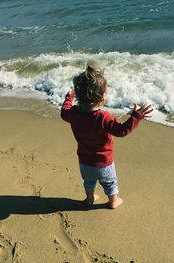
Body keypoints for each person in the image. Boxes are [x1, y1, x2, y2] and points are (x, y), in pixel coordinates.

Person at [61, 62, 153, 209]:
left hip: (84, 162)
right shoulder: (104, 117)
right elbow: (122, 131)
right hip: (104, 163)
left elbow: (64, 111)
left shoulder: (73, 113)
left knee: (89, 181)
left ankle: (90, 198)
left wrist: (69, 98)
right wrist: (136, 117)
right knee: (110, 183)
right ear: (101, 97)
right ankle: (113, 201)